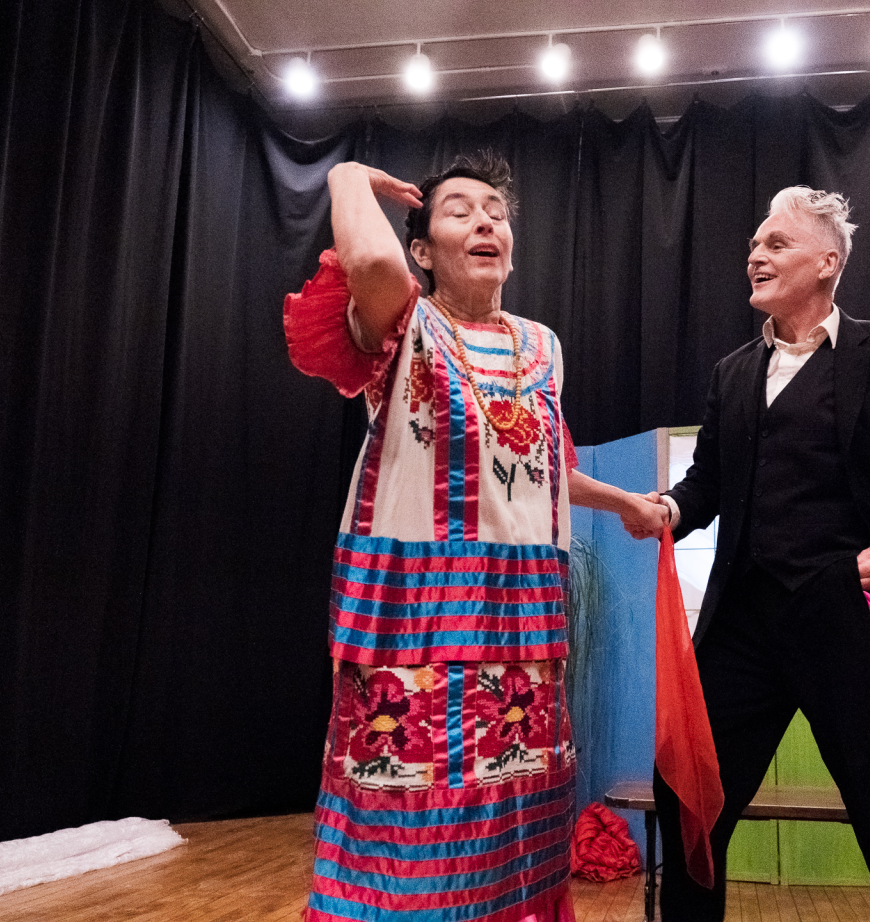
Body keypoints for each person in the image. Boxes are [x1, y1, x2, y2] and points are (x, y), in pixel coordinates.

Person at [283, 152, 666, 922]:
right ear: (422, 251)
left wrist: (625, 501)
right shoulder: (406, 324)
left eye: (496, 211)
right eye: (459, 211)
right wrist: (349, 177)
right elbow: (368, 260)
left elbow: (541, 463)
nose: (486, 221)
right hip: (414, 613)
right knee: (409, 828)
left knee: (511, 828)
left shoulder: (541, 345)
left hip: (518, 618)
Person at [639, 187, 870, 922]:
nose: (756, 255)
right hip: (745, 621)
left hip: (845, 616)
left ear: (827, 262)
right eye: (754, 245)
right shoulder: (732, 373)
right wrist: (668, 511)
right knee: (687, 793)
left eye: (776, 243)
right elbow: (708, 483)